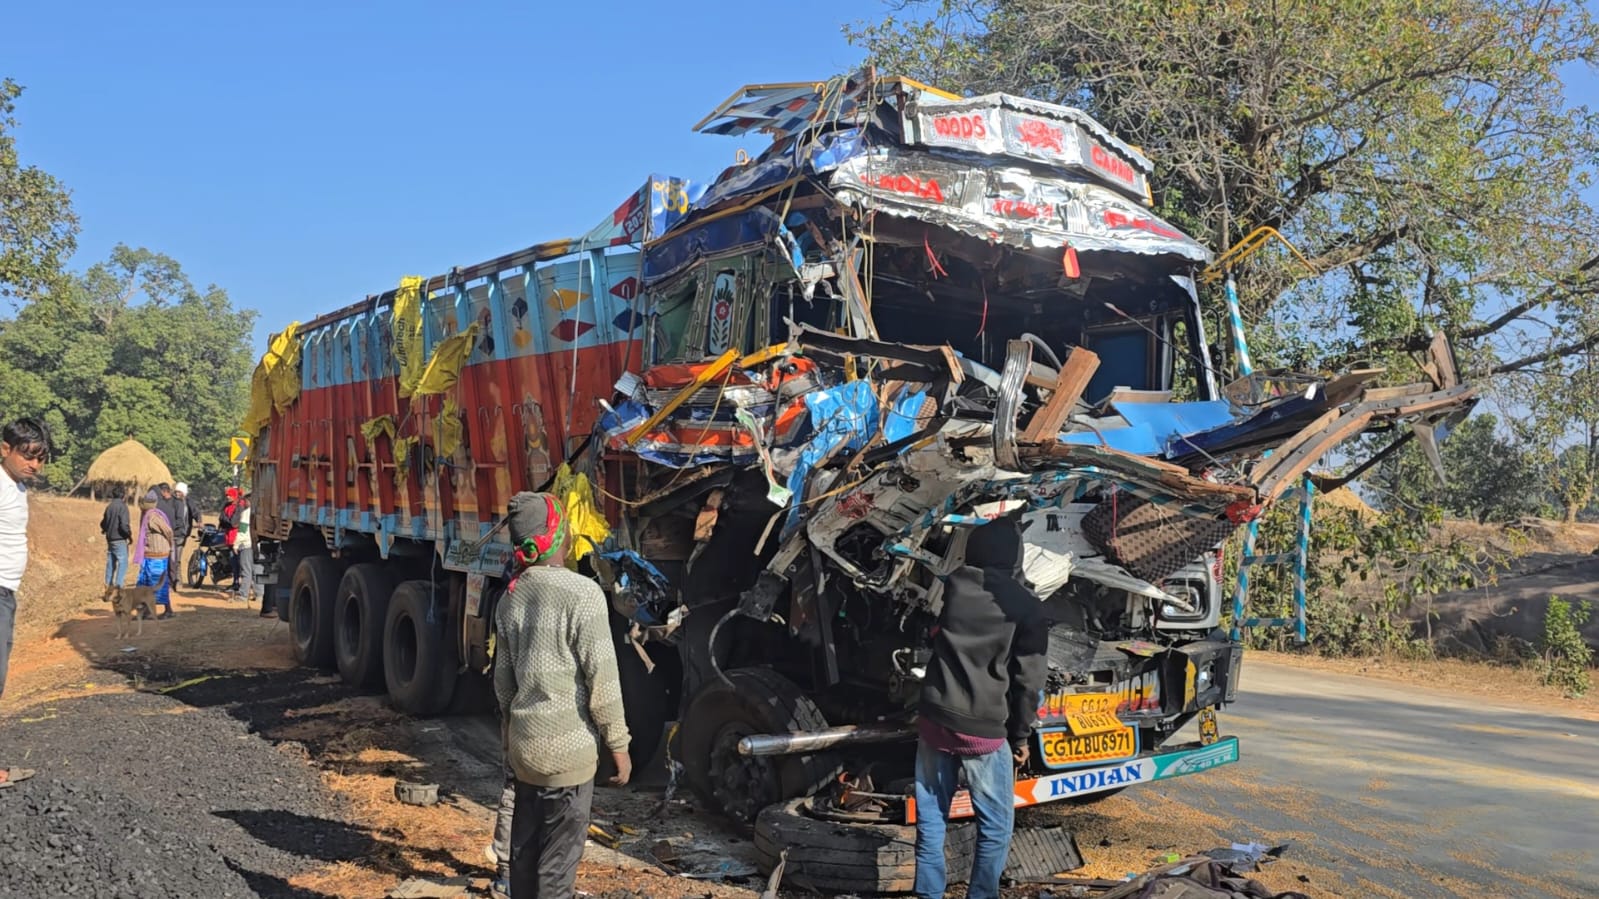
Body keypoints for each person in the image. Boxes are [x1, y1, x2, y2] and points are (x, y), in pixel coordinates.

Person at [493, 491, 631, 898]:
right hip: (568, 760)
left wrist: (512, 737)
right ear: (555, 537)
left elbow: (503, 686)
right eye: (566, 528)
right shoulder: (583, 594)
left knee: (524, 858)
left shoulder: (510, 598)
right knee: (556, 870)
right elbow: (603, 681)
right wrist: (619, 747)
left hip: (526, 755)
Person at [913, 512, 1049, 899]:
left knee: (932, 818)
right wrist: (1020, 738)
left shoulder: (955, 585)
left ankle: (928, 894)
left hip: (935, 718)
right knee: (995, 827)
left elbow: (934, 630)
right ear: (1015, 555)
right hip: (984, 730)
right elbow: (1028, 683)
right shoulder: (1027, 606)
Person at [0, 417, 50, 789]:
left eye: (41, 458)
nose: (35, 465)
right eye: (28, 456)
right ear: (5, 449)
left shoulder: (15, 487)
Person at [131, 488, 176, 619]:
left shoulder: (153, 517)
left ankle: (167, 610)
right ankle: (145, 611)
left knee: (158, 583)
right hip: (149, 554)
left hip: (158, 555)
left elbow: (168, 531)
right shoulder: (149, 516)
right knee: (145, 583)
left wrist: (169, 545)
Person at [234, 492, 268, 615]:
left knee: (246, 571)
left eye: (246, 500)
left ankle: (243, 595)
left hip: (247, 545)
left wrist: (236, 544)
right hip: (260, 546)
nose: (245, 503)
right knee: (258, 570)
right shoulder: (263, 512)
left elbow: (242, 531)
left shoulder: (246, 513)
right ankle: (260, 594)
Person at [99, 485, 134, 600]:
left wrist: (105, 530)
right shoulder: (123, 507)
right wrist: (129, 535)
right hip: (119, 539)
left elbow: (103, 523)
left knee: (111, 564)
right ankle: (118, 589)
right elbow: (124, 525)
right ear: (123, 496)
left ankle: (108, 587)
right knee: (123, 563)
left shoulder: (109, 507)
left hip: (110, 539)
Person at [167, 482, 197, 590]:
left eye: (179, 492)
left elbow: (195, 512)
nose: (177, 494)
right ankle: (174, 580)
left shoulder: (189, 502)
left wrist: (200, 521)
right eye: (176, 491)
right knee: (173, 558)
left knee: (177, 559)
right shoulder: (172, 501)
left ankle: (178, 581)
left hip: (182, 534)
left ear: (184, 492)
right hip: (172, 533)